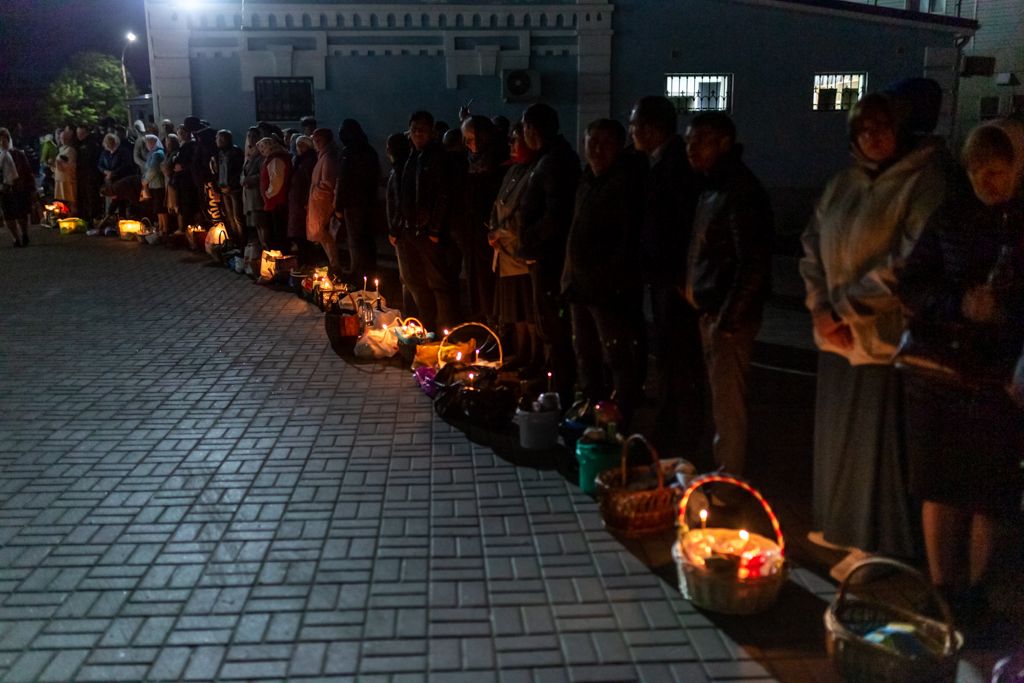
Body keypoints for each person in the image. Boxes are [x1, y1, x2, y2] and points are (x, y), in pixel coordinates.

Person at [800, 91, 949, 572]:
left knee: (875, 448)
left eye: (882, 126)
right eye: (863, 129)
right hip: (836, 336)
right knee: (839, 440)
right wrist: (821, 308)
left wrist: (846, 308)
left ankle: (876, 546)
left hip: (882, 337)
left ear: (900, 127)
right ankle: (839, 527)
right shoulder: (843, 183)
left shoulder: (923, 181)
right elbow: (811, 245)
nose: (873, 137)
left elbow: (909, 258)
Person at [896, 118, 1024, 622]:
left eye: (996, 170)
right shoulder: (950, 217)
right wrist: (957, 305)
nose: (984, 181)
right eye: (975, 171)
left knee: (988, 494)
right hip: (941, 374)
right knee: (940, 485)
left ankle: (976, 593)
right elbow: (913, 284)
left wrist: (1005, 315)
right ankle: (942, 589)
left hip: (999, 380)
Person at [685, 111, 773, 478]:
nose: (691, 148)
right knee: (721, 400)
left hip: (727, 318)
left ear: (724, 143)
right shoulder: (714, 186)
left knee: (728, 402)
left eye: (700, 140)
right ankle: (722, 468)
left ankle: (729, 479)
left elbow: (752, 261)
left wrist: (728, 318)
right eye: (689, 140)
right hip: (713, 311)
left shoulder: (739, 191)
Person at [629, 95, 705, 459]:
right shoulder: (660, 163)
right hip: (666, 278)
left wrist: (670, 274)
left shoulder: (675, 166)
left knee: (677, 360)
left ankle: (678, 440)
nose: (631, 131)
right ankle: (670, 432)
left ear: (651, 128)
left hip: (674, 283)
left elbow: (676, 226)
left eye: (634, 125)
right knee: (669, 358)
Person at [561, 119, 646, 427]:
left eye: (605, 143)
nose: (596, 149)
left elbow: (627, 241)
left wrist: (611, 281)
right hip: (579, 285)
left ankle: (619, 418)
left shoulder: (625, 185)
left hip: (609, 290)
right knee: (585, 352)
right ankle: (592, 409)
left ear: (619, 147)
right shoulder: (587, 180)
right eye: (592, 142)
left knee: (617, 354)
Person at [518, 103, 580, 399]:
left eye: (524, 128)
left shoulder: (554, 161)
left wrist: (530, 240)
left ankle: (560, 387)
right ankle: (553, 378)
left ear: (533, 129)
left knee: (553, 324)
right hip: (546, 254)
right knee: (549, 323)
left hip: (549, 256)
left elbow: (555, 215)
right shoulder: (550, 157)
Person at [396, 110, 460, 331]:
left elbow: (444, 195)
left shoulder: (438, 158)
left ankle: (446, 329)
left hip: (429, 232)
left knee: (438, 282)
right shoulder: (411, 157)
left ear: (432, 132)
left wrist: (434, 229)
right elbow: (404, 193)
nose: (417, 134)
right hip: (410, 230)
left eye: (422, 130)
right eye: (414, 130)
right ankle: (426, 326)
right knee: (416, 281)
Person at [488, 122, 540, 371]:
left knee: (529, 310)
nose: (511, 145)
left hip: (522, 253)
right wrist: (492, 228)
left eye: (516, 140)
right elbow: (498, 204)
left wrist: (501, 231)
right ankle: (521, 352)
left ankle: (535, 356)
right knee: (515, 309)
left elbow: (524, 214)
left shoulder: (534, 172)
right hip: (505, 254)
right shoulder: (513, 171)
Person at [459, 115, 507, 323]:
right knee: (478, 280)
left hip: (490, 232)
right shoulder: (471, 161)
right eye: (466, 139)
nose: (469, 144)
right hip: (473, 230)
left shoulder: (498, 162)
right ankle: (486, 322)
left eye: (472, 139)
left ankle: (498, 326)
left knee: (490, 282)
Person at [334, 119, 380, 281]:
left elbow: (344, 180)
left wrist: (338, 205)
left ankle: (359, 274)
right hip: (368, 201)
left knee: (356, 239)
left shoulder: (349, 153)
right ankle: (370, 271)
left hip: (353, 203)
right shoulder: (369, 150)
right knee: (367, 239)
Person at [384, 132, 419, 315]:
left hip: (403, 232)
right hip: (405, 230)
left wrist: (394, 230)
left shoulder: (400, 170)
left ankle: (413, 315)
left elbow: (399, 203)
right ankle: (412, 313)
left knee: (408, 276)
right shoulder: (405, 167)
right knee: (408, 275)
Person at [307, 128, 343, 275]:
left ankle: (335, 265)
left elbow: (327, 183)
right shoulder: (323, 156)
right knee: (322, 235)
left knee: (325, 235)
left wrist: (315, 193)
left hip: (323, 203)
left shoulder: (328, 158)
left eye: (318, 140)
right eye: (314, 140)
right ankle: (332, 264)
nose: (316, 143)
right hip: (319, 202)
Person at [0, 127, 34, 247]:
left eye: (4, 140)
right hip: (4, 190)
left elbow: (27, 171)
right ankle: (15, 237)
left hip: (19, 188)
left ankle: (24, 234)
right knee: (9, 215)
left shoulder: (18, 154)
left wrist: (31, 188)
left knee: (21, 213)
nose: (2, 143)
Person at [258, 136, 291, 249]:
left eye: (263, 149)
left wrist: (268, 193)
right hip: (275, 200)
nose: (262, 153)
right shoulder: (272, 158)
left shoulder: (276, 159)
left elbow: (276, 179)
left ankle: (282, 250)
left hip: (277, 200)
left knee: (279, 228)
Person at [288, 135, 317, 256]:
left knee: (301, 229)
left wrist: (306, 200)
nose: (298, 148)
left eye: (302, 145)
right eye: (297, 145)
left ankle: (306, 256)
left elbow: (310, 182)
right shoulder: (299, 160)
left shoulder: (308, 162)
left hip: (302, 200)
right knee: (298, 229)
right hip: (296, 199)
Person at [216, 129, 245, 244]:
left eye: (220, 138)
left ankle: (242, 241)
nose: (217, 140)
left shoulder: (235, 152)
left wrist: (232, 185)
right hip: (224, 187)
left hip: (234, 189)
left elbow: (239, 171)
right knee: (229, 215)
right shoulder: (220, 153)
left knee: (237, 216)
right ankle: (234, 240)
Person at [242, 127, 266, 247]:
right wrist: (242, 179)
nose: (251, 139)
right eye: (249, 136)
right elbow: (244, 171)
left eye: (253, 136)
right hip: (249, 194)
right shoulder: (249, 154)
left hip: (257, 195)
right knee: (255, 225)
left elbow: (263, 174)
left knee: (261, 224)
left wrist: (249, 179)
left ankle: (265, 247)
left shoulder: (261, 155)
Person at [75, 124, 103, 226]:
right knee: (85, 196)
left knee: (91, 197)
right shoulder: (80, 144)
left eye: (80, 133)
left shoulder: (92, 144)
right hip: (84, 175)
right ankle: (87, 217)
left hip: (91, 175)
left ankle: (93, 217)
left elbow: (91, 159)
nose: (78, 135)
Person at [142, 135, 167, 233]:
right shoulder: (152, 153)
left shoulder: (157, 154)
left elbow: (153, 169)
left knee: (161, 207)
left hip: (158, 183)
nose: (146, 145)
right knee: (158, 208)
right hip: (153, 184)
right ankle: (161, 226)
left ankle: (164, 228)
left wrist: (145, 180)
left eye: (148, 142)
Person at [54, 127, 77, 214]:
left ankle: (72, 215)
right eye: (61, 138)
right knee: (62, 201)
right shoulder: (61, 149)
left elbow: (71, 165)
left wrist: (59, 163)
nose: (63, 140)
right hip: (60, 178)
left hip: (67, 179)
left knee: (70, 199)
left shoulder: (70, 150)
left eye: (65, 138)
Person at [161, 134, 180, 234]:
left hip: (173, 184)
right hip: (168, 183)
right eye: (166, 142)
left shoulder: (175, 154)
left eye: (169, 142)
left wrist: (164, 168)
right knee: (170, 207)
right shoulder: (167, 154)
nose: (167, 144)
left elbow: (167, 169)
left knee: (175, 205)